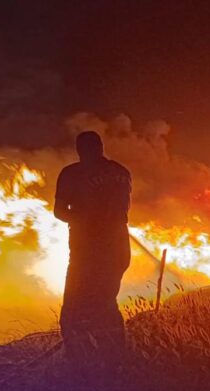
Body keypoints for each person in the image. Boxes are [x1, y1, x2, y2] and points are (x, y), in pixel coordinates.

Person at [54, 131, 132, 364]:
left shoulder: (72, 173)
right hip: (119, 249)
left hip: (87, 253)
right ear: (101, 146)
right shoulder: (121, 171)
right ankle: (117, 362)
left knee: (71, 315)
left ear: (80, 150)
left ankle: (80, 368)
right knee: (106, 304)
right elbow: (121, 211)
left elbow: (59, 211)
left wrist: (81, 218)